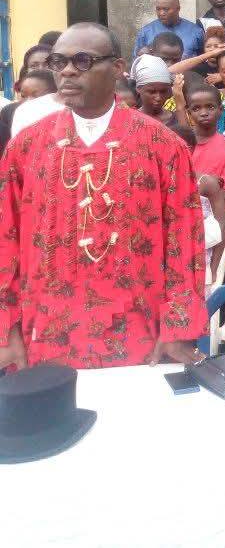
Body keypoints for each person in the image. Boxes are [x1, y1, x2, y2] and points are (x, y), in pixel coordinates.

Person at [0, 22, 206, 369]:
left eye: (82, 61)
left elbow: (185, 241)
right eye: (58, 61)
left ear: (117, 68)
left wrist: (178, 330)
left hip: (139, 337)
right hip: (47, 337)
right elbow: (6, 240)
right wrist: (7, 333)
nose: (67, 70)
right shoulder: (27, 146)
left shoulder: (162, 145)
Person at [187, 83, 225, 208]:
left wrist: (192, 187)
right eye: (196, 108)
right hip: (184, 219)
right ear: (189, 113)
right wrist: (211, 186)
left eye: (210, 107)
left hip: (216, 222)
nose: (204, 113)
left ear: (221, 110)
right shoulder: (180, 144)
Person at [0, 70, 57, 154]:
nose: (28, 101)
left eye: (36, 96)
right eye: (23, 96)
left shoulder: (64, 123)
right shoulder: (16, 118)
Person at [134, 0, 204, 58]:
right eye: (158, 9)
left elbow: (203, 59)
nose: (161, 13)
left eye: (166, 9)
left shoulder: (196, 32)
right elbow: (137, 60)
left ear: (178, 9)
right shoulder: (145, 32)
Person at [129, 54, 175, 126]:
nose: (158, 97)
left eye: (163, 91)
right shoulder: (130, 121)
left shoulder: (177, 119)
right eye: (152, 92)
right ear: (138, 89)